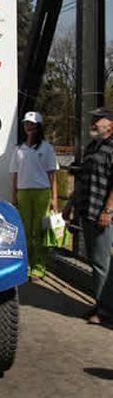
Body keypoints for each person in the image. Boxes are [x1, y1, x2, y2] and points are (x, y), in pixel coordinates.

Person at [68, 106, 113, 324]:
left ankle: (105, 310)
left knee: (101, 263)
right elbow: (81, 180)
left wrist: (108, 210)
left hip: (102, 213)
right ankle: (100, 303)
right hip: (87, 210)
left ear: (110, 124)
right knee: (95, 261)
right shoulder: (91, 147)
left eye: (98, 119)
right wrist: (69, 207)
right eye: (92, 119)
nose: (93, 123)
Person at [10, 111, 59, 282]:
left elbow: (52, 175)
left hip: (41, 193)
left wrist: (54, 198)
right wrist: (14, 195)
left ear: (38, 126)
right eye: (26, 123)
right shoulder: (18, 149)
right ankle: (26, 265)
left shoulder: (47, 148)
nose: (28, 127)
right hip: (23, 192)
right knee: (25, 231)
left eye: (32, 124)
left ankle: (38, 267)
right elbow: (15, 174)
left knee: (39, 232)